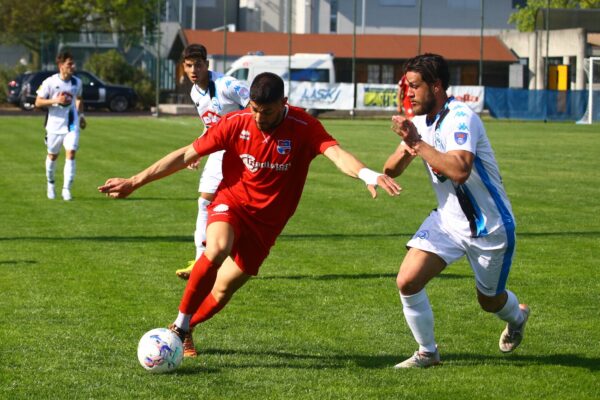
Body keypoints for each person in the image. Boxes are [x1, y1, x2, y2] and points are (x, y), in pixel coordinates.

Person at [98, 72, 401, 359]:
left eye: (266, 112)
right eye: (255, 109)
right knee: (215, 249)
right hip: (231, 202)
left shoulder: (304, 125)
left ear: (284, 104)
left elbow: (336, 154)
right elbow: (186, 154)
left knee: (224, 288)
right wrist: (134, 181)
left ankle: (186, 329)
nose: (259, 117)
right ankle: (178, 326)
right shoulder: (235, 122)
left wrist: (366, 174)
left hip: (267, 225)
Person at [383, 53, 529, 368]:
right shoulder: (420, 122)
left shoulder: (462, 117)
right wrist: (408, 145)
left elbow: (459, 170)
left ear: (436, 86)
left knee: (489, 301)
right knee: (407, 281)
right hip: (447, 221)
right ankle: (428, 352)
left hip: (488, 228)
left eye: (414, 86)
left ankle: (517, 316)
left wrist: (419, 144)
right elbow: (391, 169)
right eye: (407, 86)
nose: (409, 93)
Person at [174, 44, 250, 281]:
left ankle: (240, 256)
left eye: (198, 64)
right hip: (219, 152)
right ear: (184, 68)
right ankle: (200, 260)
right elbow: (210, 127)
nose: (194, 69)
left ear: (207, 64)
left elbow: (255, 105)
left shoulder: (228, 85)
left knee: (244, 207)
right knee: (204, 202)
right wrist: (198, 149)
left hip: (243, 152)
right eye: (189, 65)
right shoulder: (196, 92)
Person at [36, 50, 86, 201]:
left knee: (71, 153)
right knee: (52, 156)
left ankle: (66, 190)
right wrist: (55, 101)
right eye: (69, 64)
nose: (73, 66)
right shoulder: (49, 82)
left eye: (73, 63)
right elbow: (38, 102)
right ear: (60, 65)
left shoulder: (77, 82)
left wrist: (81, 116)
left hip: (71, 124)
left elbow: (78, 99)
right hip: (54, 125)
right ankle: (51, 184)